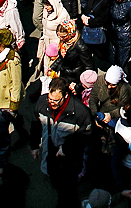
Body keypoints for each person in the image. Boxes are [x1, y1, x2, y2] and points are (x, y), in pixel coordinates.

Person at [29, 77, 92, 208]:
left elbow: (87, 135)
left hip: (70, 157)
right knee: (54, 178)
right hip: (50, 150)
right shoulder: (42, 103)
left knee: (69, 187)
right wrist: (34, 146)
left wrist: (66, 148)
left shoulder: (80, 112)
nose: (52, 103)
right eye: (50, 99)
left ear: (66, 95)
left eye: (56, 101)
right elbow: (36, 124)